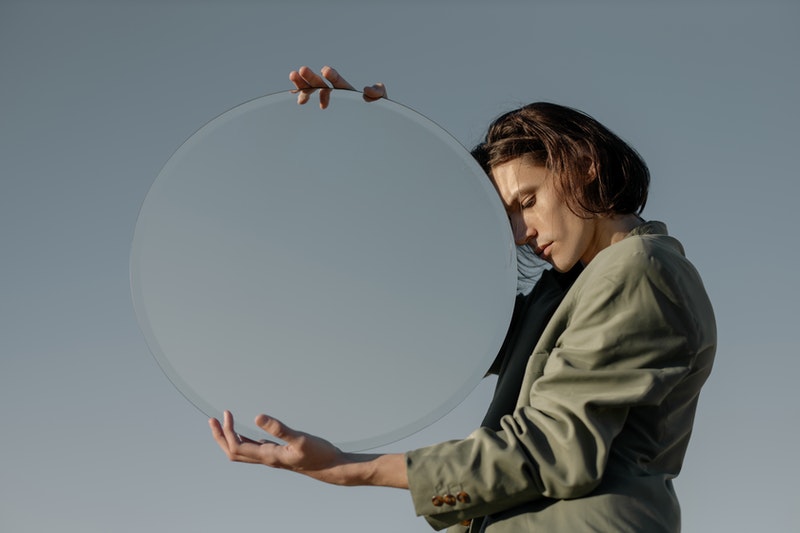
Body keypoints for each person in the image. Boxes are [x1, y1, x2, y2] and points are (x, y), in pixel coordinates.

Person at [209, 66, 717, 532]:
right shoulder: (567, 289)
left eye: (528, 201)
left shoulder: (638, 269)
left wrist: (348, 468)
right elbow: (457, 319)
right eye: (509, 218)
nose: (520, 234)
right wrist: (387, 148)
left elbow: (553, 451)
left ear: (583, 164)